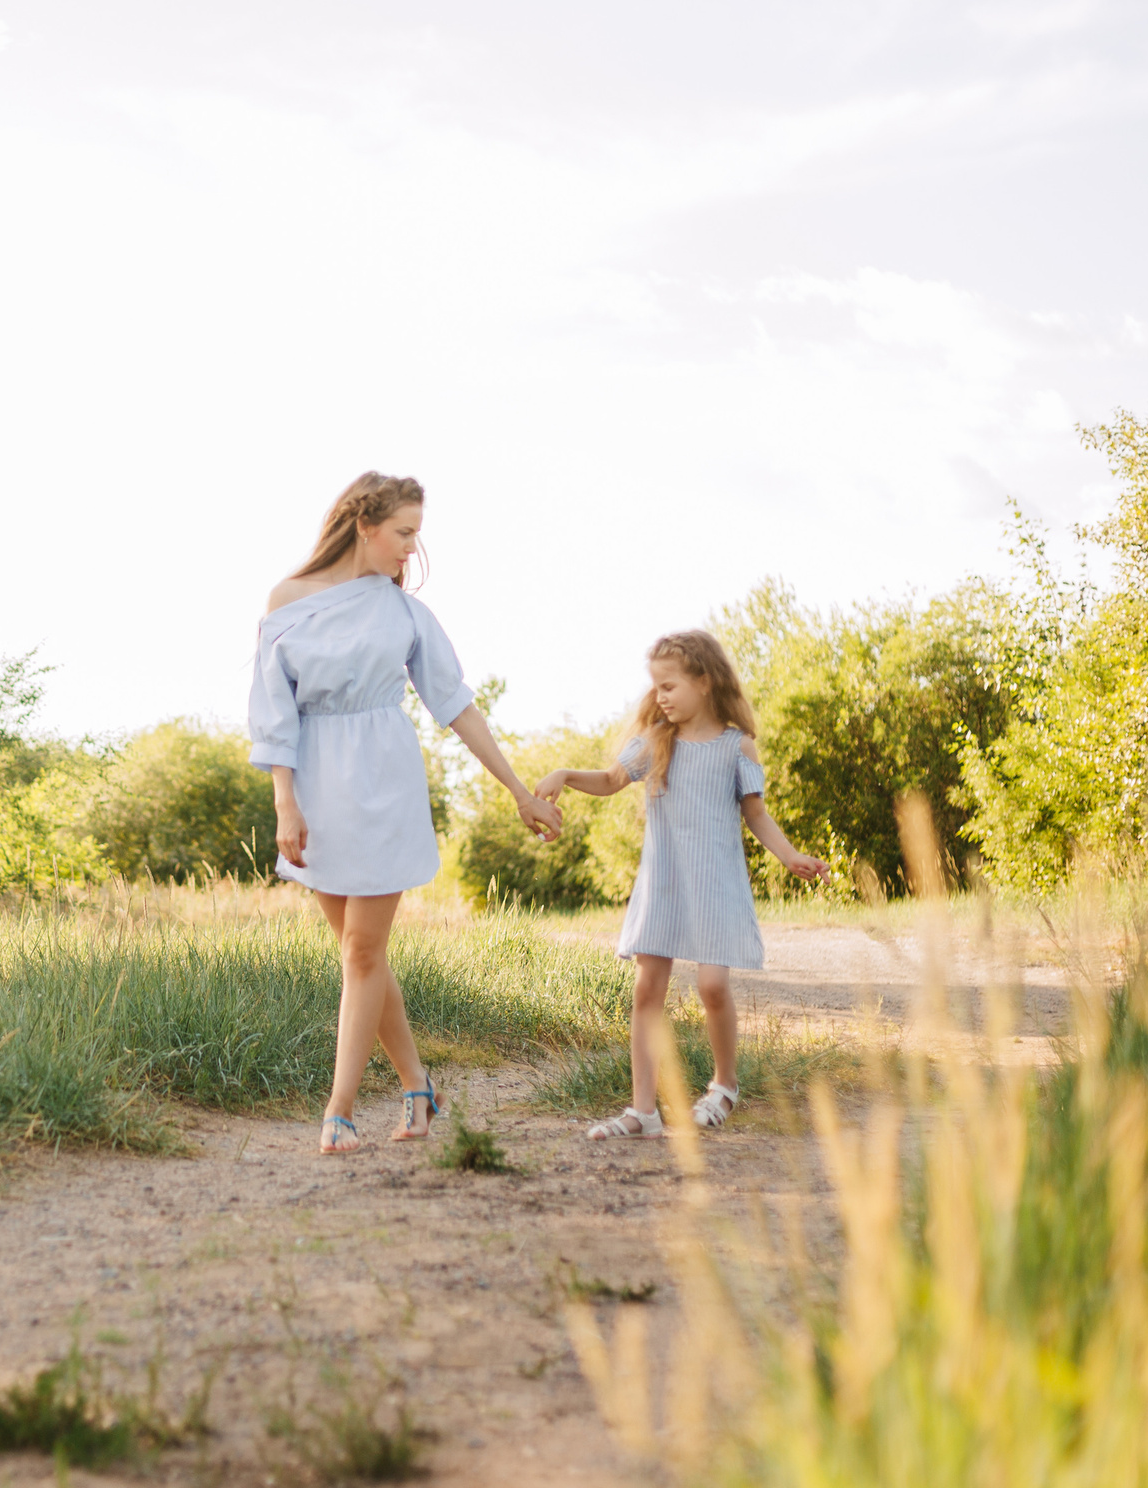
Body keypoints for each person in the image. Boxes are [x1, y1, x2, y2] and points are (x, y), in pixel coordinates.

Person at [249, 472, 564, 1155]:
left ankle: (338, 1110)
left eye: (416, 534)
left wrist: (518, 789)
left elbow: (456, 703)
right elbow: (273, 714)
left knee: (363, 951)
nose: (412, 551)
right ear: (364, 524)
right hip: (318, 785)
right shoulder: (287, 601)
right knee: (360, 953)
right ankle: (419, 1088)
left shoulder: (404, 612)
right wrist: (286, 802)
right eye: (404, 533)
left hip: (385, 781)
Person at [534, 630, 829, 1139]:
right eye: (656, 688)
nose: (660, 697)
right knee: (647, 988)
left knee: (713, 987)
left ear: (705, 681)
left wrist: (791, 856)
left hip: (716, 883)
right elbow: (608, 781)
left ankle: (724, 1087)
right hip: (663, 884)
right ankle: (642, 1110)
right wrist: (563, 773)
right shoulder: (654, 743)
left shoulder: (738, 747)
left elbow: (756, 814)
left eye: (669, 686)